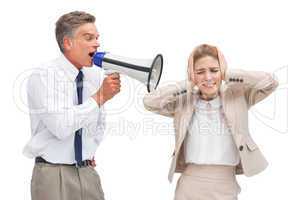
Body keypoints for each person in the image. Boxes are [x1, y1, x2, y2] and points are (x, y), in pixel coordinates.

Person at [143, 44, 278, 200]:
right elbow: (149, 102)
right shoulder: (183, 102)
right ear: (192, 74)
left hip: (225, 185)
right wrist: (188, 84)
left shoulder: (238, 96)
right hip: (189, 185)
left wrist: (229, 74)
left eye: (214, 70)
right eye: (200, 72)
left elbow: (271, 82)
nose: (208, 77)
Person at [23, 11, 121, 200]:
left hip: (86, 171)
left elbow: (99, 123)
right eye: (88, 37)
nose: (97, 43)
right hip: (53, 173)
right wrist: (100, 96)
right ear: (67, 43)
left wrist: (88, 150)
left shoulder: (93, 75)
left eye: (97, 37)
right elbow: (61, 126)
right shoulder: (44, 75)